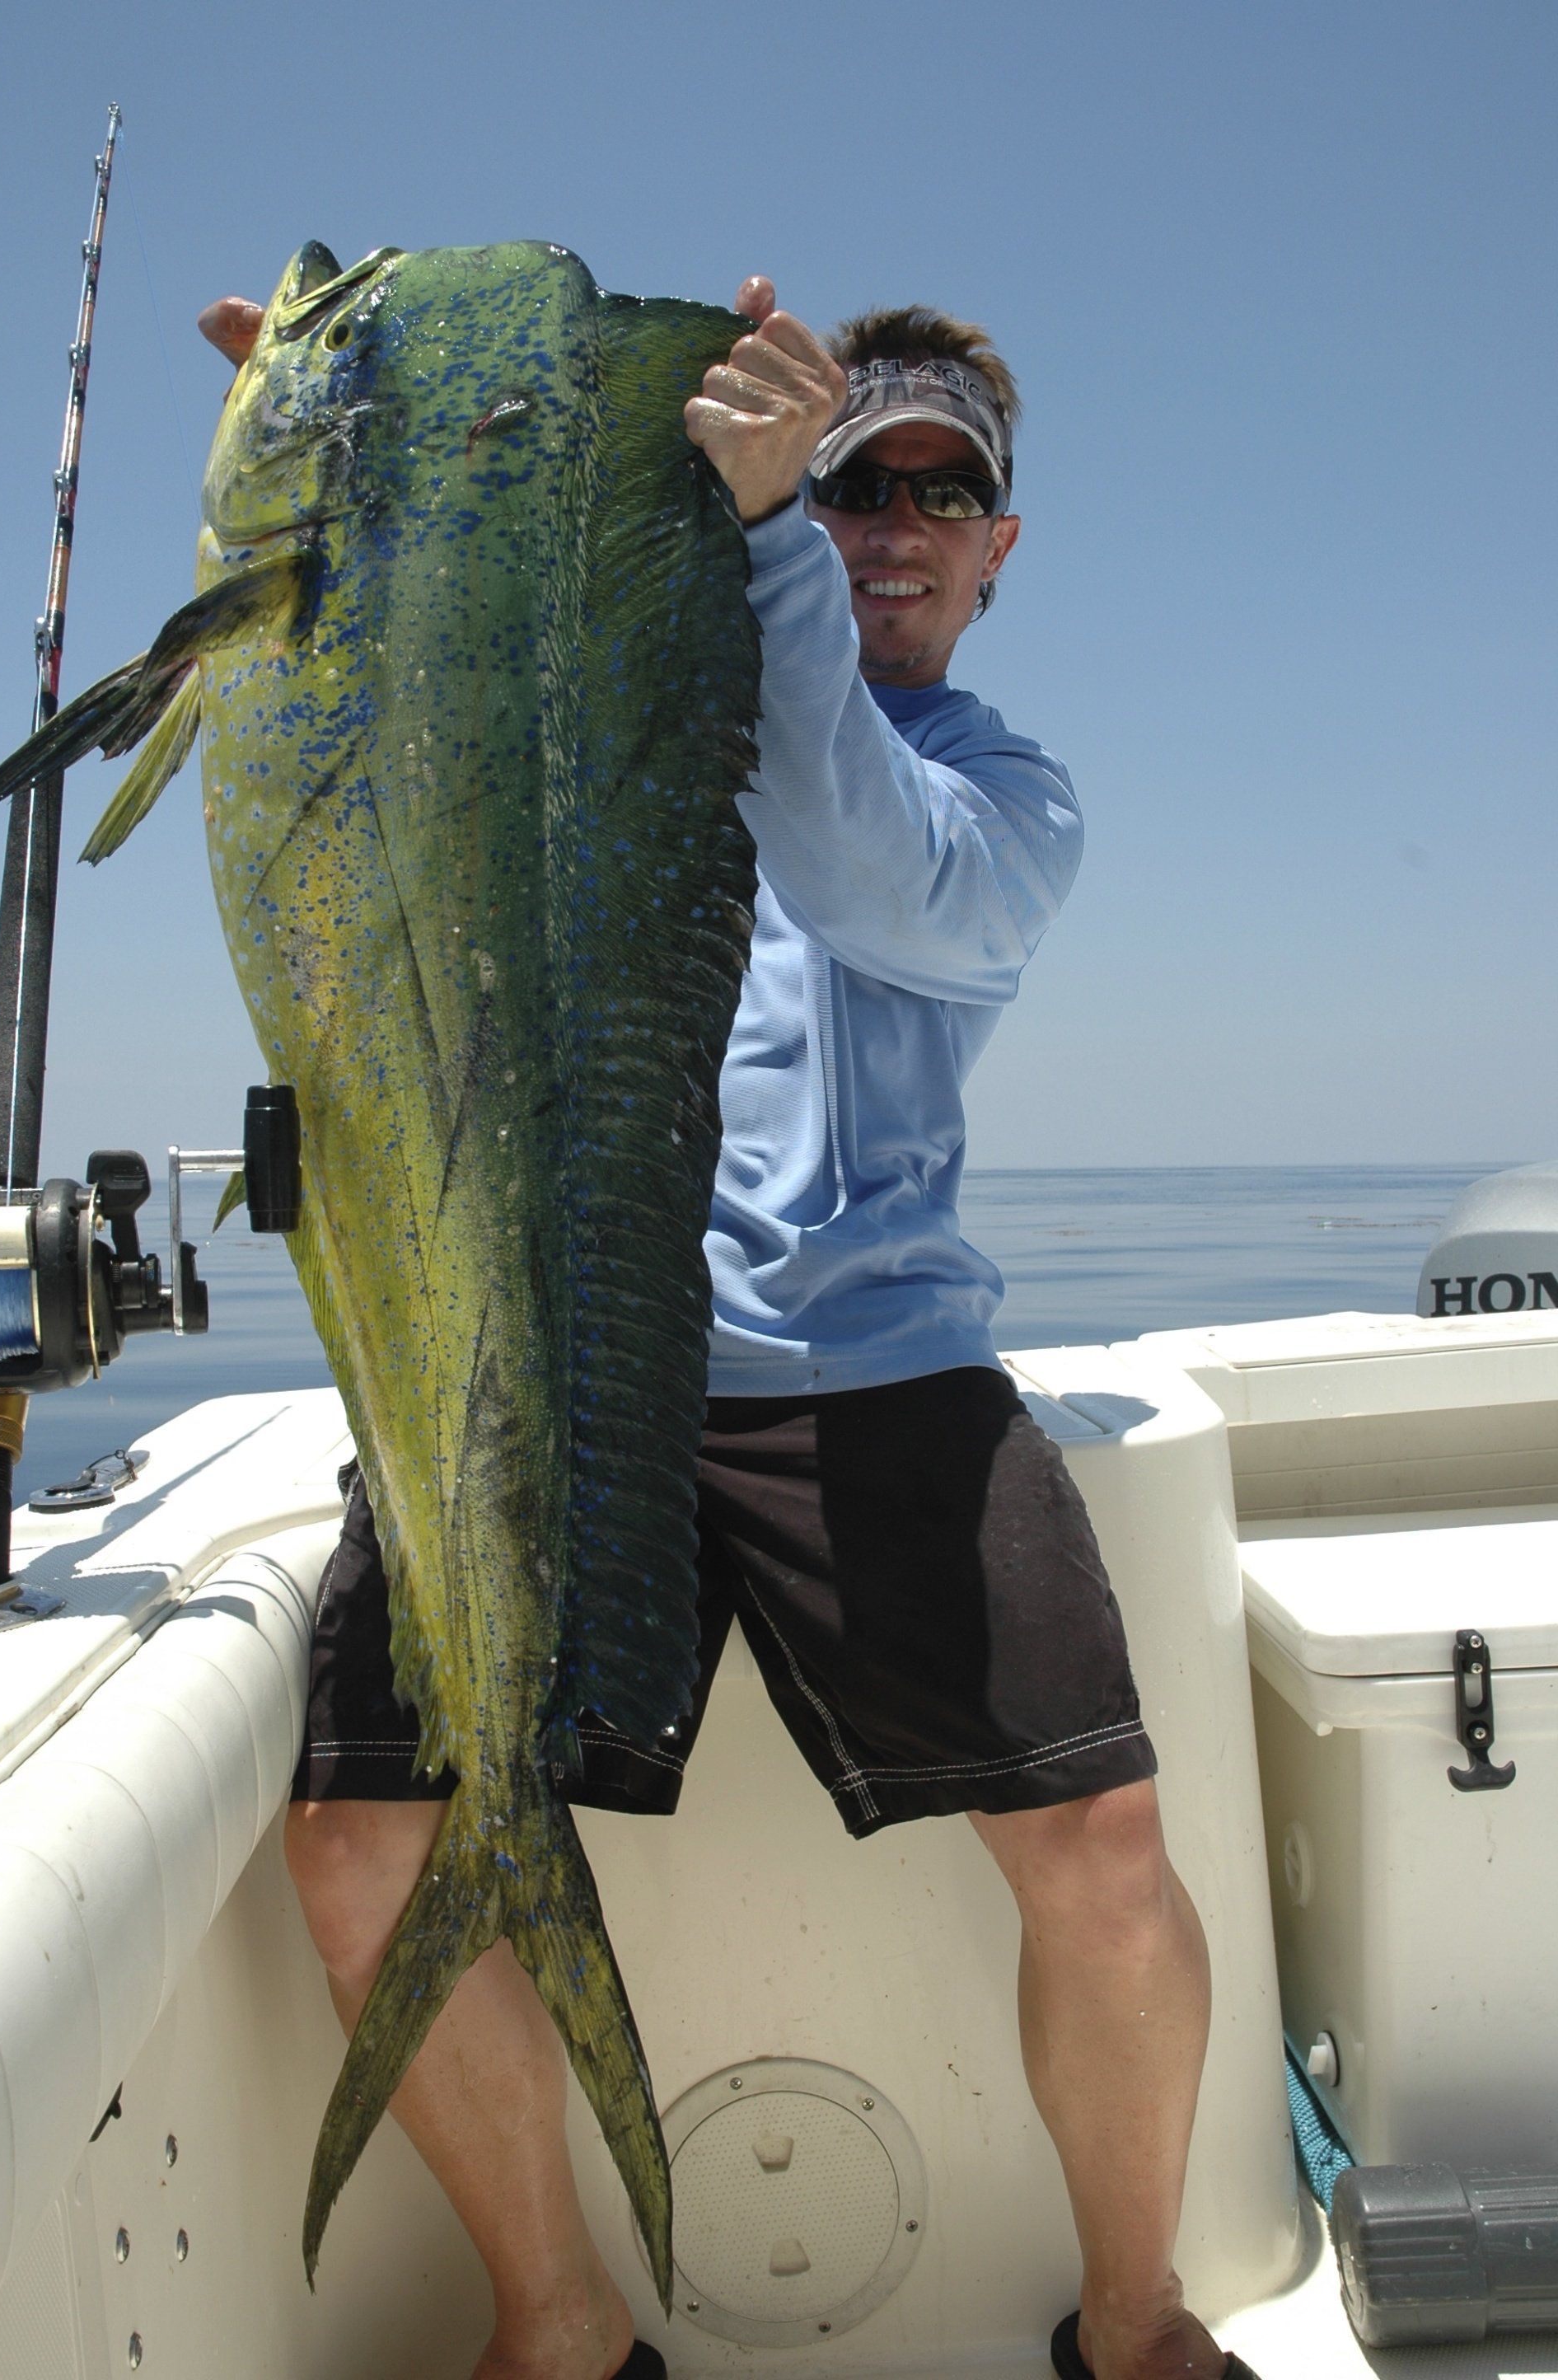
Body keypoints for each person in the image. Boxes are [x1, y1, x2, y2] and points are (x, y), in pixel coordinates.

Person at [199, 275, 1252, 2380]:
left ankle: (1136, 2328)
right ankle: (563, 2323)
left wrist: (759, 530)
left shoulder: (1002, 797)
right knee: (360, 1841)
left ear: (998, 549)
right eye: (849, 478)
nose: (890, 519)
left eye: (938, 488)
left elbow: (860, 867)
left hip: (867, 1383)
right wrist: (363, 490)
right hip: (545, 1365)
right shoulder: (600, 749)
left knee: (1111, 1854)